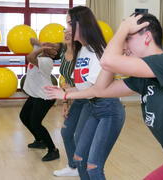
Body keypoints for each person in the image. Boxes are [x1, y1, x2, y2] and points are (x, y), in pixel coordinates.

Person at [45, 13, 163, 180]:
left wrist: (121, 30)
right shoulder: (143, 79)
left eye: (128, 39)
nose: (124, 45)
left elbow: (108, 61)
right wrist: (65, 94)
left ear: (147, 37)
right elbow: (100, 90)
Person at [47, 6, 125, 180]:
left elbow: (97, 90)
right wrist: (63, 90)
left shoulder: (99, 51)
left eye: (69, 24)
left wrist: (65, 96)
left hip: (109, 110)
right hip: (93, 107)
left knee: (93, 167)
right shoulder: (82, 50)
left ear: (81, 25)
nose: (66, 29)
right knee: (79, 158)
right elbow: (85, 87)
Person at [53, 26, 90, 177]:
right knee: (66, 132)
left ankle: (84, 169)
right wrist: (65, 104)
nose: (67, 33)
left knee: (80, 136)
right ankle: (73, 166)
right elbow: (65, 81)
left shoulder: (82, 53)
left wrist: (72, 89)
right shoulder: (63, 52)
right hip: (74, 99)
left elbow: (88, 80)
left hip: (88, 99)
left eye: (71, 31)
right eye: (65, 30)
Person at [19, 38, 60, 161]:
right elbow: (31, 40)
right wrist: (41, 44)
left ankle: (53, 150)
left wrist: (42, 48)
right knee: (24, 116)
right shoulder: (40, 52)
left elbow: (30, 57)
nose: (50, 45)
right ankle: (40, 140)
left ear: (54, 54)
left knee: (36, 123)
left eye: (54, 47)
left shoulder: (47, 61)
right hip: (36, 94)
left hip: (45, 96)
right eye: (51, 43)